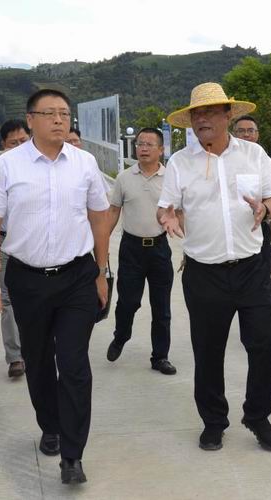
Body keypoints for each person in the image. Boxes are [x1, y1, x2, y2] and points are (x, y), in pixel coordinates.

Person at [0, 89, 110, 485]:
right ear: (30, 119)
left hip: (76, 278)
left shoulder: (85, 163)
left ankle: (73, 455)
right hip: (27, 279)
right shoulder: (7, 166)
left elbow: (99, 217)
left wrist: (101, 271)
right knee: (37, 360)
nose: (58, 120)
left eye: (64, 113)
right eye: (49, 113)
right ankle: (49, 424)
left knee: (73, 363)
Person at [158, 82, 271, 452]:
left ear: (228, 115)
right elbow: (166, 206)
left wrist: (265, 208)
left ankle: (258, 416)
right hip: (204, 273)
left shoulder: (254, 154)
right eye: (197, 114)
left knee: (265, 345)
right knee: (208, 351)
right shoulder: (180, 163)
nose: (202, 119)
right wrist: (167, 216)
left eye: (210, 112)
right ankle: (214, 422)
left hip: (252, 269)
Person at [106, 127, 176, 375]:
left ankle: (160, 356)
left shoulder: (171, 179)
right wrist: (101, 244)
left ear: (161, 149)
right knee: (127, 302)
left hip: (159, 249)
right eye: (139, 144)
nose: (143, 148)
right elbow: (113, 211)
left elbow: (181, 213)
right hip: (131, 250)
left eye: (149, 144)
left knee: (162, 307)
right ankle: (121, 336)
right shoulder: (124, 178)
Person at [0, 119, 30, 378]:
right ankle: (15, 356)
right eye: (13, 143)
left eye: (23, 141)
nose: (19, 146)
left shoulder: (41, 165)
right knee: (8, 297)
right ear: (3, 144)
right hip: (4, 241)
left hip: (32, 239)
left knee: (37, 295)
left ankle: (36, 347)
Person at [233, 114, 271, 254]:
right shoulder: (224, 159)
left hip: (258, 227)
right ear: (234, 134)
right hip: (231, 231)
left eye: (250, 130)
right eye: (241, 131)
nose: (246, 134)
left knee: (263, 264)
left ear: (257, 134)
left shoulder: (262, 159)